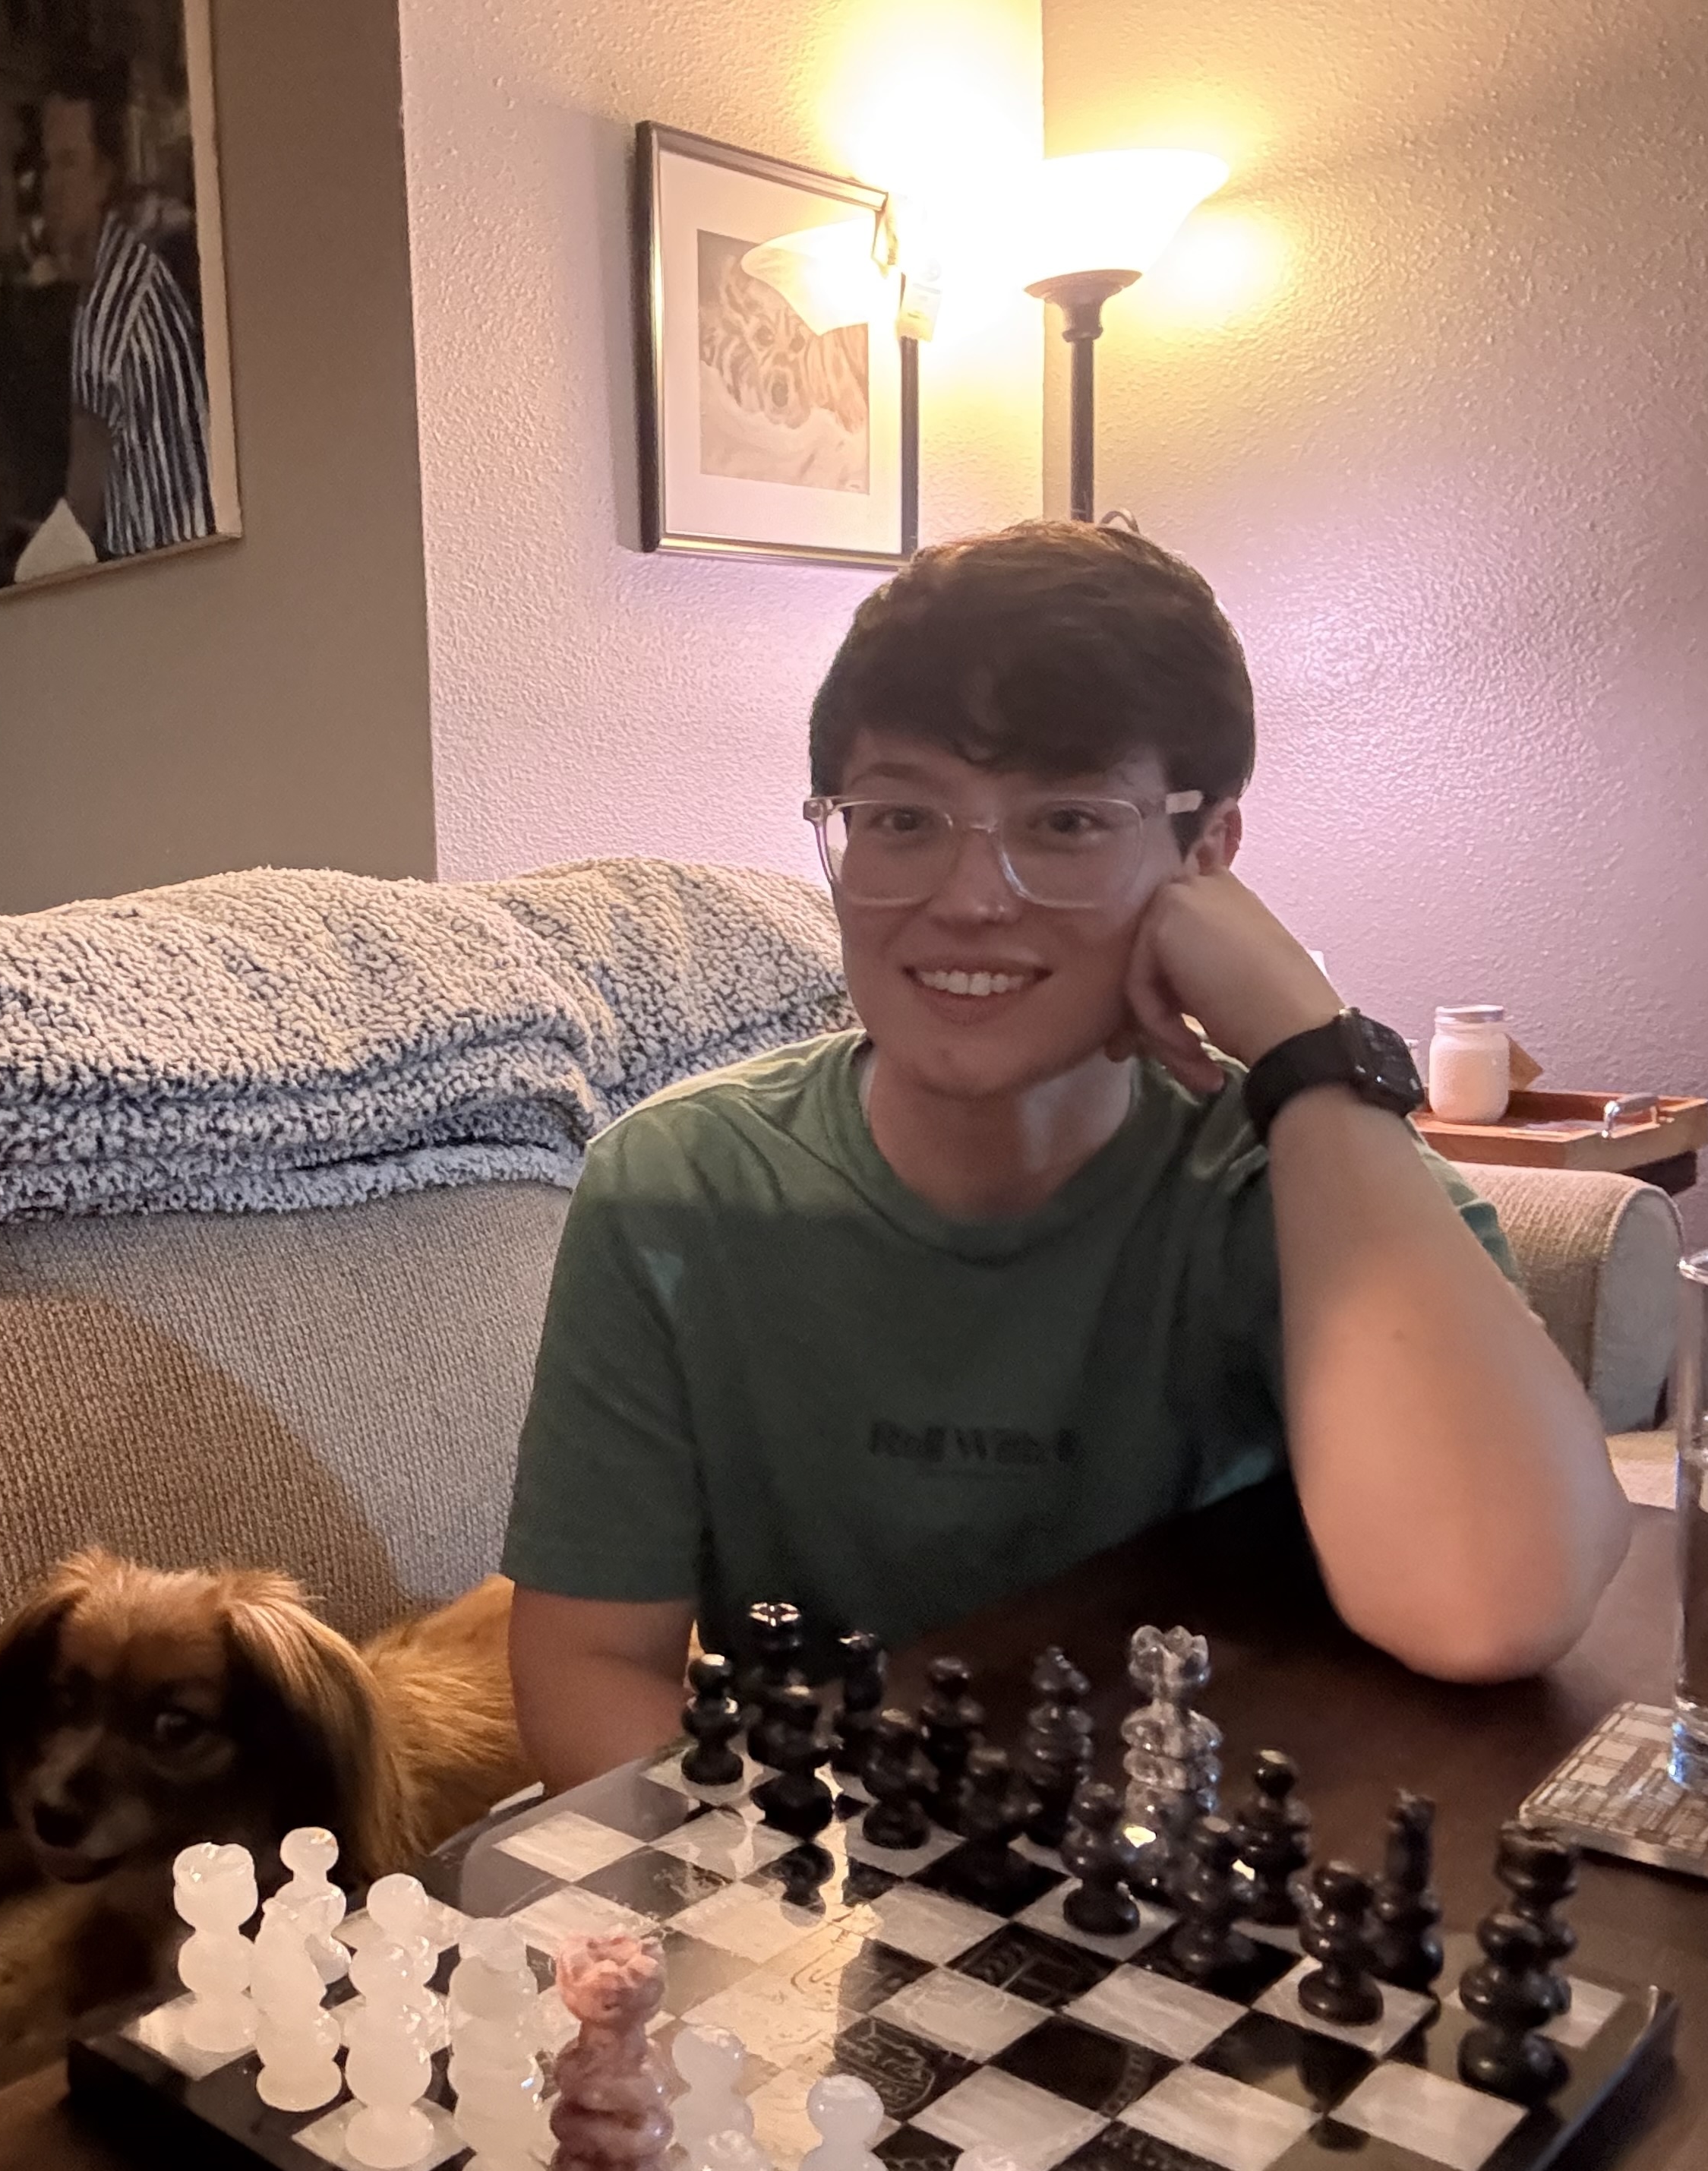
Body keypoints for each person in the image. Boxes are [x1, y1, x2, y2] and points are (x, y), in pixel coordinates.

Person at [501, 523, 1631, 1790]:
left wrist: (1306, 1045)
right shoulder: (675, 1186)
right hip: (832, 1900)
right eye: (899, 817)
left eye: (1067, 820)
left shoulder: (1296, 1180)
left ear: (1205, 855)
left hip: (1214, 1874)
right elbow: (587, 1661)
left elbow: (1492, 1607)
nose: (971, 894)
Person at [40, 54, 214, 561]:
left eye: (69, 162)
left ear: (104, 177)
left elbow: (80, 513)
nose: (51, 185)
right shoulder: (121, 270)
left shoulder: (112, 303)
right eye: (47, 163)